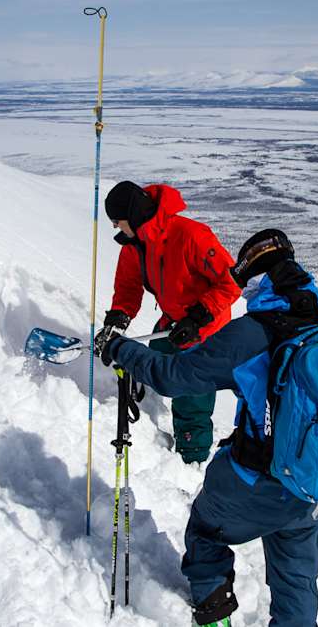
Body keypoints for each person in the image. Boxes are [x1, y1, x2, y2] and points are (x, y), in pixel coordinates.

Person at [102, 229, 318, 627]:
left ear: (253, 279)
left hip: (256, 483)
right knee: (296, 582)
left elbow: (174, 376)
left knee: (206, 531)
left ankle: (214, 616)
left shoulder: (253, 334)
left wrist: (119, 348)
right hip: (315, 484)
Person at [92, 181, 241, 464]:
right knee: (151, 360)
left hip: (205, 328)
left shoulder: (191, 236)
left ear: (133, 216)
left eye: (117, 221)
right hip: (173, 321)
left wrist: (197, 317)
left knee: (191, 393)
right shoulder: (135, 246)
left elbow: (231, 282)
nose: (115, 227)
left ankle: (192, 457)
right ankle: (146, 402)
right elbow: (128, 288)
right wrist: (117, 320)